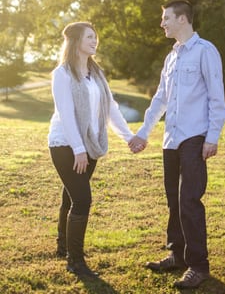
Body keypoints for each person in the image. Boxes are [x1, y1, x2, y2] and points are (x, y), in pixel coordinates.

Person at [129, 0, 225, 289]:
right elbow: (160, 98)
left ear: (182, 19)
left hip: (195, 137)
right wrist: (144, 132)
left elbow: (216, 98)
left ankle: (199, 265)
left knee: (189, 201)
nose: (163, 24)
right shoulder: (171, 57)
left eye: (166, 18)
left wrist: (212, 137)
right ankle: (177, 254)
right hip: (171, 139)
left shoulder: (205, 52)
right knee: (174, 200)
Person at [48, 21, 139, 278]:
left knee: (71, 195)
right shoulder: (62, 74)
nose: (94, 40)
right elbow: (65, 113)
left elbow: (111, 109)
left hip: (90, 144)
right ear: (76, 42)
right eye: (89, 37)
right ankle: (75, 261)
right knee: (82, 199)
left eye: (95, 36)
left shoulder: (97, 74)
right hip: (65, 144)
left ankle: (62, 246)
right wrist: (78, 149)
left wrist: (128, 137)